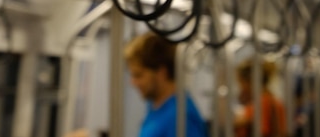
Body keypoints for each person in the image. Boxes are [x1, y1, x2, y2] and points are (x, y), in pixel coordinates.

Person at [66, 32, 208, 137]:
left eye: (138, 75)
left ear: (161, 72)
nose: (132, 83)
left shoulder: (181, 117)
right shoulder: (157, 107)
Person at [234, 59, 287, 137]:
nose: (241, 88)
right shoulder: (271, 99)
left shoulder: (262, 102)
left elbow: (262, 130)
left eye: (241, 83)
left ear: (250, 82)